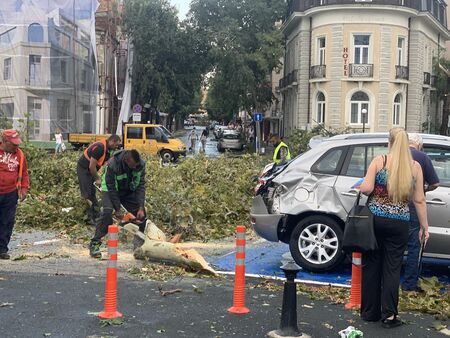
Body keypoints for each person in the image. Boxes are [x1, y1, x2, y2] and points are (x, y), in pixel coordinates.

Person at [359, 127, 429, 328]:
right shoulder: (415, 167)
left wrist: (358, 187)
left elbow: (367, 188)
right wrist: (424, 227)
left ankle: (369, 312)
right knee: (392, 268)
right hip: (400, 222)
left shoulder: (379, 161)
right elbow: (420, 200)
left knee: (372, 265)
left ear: (388, 142)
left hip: (375, 220)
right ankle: (389, 315)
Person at [89, 149, 146, 258]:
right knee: (107, 212)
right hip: (110, 189)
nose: (135, 168)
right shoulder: (113, 165)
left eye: (136, 166)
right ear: (126, 160)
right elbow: (112, 188)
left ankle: (139, 247)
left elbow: (140, 186)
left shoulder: (140, 165)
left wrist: (140, 207)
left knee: (141, 216)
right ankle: (94, 243)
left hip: (127, 188)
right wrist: (118, 209)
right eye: (132, 166)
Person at [402, 133, 439, 292]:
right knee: (413, 246)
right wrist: (422, 189)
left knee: (394, 245)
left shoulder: (397, 156)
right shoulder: (423, 158)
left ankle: (387, 282)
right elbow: (435, 183)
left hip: (394, 204)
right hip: (413, 206)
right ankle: (409, 284)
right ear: (419, 145)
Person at [76, 135, 122, 226]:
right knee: (87, 194)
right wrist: (97, 178)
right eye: (116, 145)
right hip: (84, 168)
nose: (117, 147)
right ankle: (88, 218)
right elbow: (91, 166)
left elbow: (105, 165)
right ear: (112, 141)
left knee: (92, 192)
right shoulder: (100, 148)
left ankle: (96, 215)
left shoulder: (108, 150)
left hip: (91, 170)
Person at [0, 129, 29, 260]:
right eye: (14, 144)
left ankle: (2, 249)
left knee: (7, 221)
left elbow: (24, 173)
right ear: (4, 142)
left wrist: (24, 189)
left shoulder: (20, 155)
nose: (17, 146)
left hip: (11, 193)